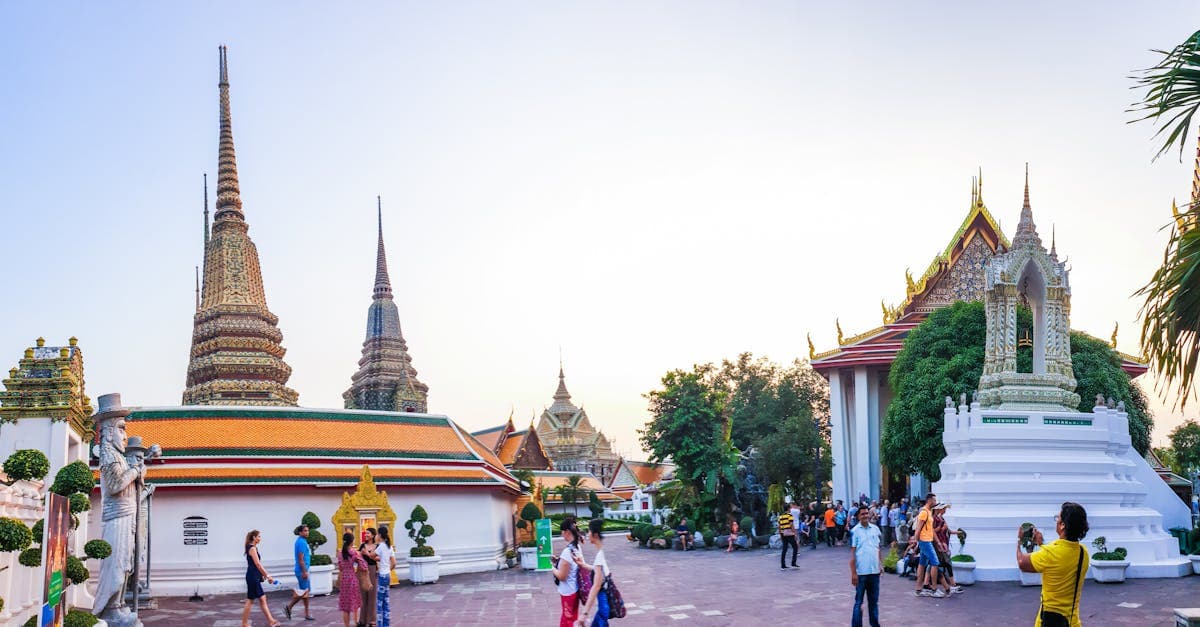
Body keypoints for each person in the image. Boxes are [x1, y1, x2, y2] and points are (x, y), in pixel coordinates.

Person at [1017, 502, 1090, 627]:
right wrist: (1041, 544)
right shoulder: (1083, 553)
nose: (1056, 521)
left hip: (1048, 620)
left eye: (1058, 518)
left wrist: (1019, 540)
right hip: (1071, 621)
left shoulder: (1050, 553)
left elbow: (1022, 563)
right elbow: (1059, 559)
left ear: (1062, 525)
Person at [848, 506, 882, 627]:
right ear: (858, 516)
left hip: (874, 571)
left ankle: (875, 624)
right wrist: (853, 573)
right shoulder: (855, 531)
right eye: (862, 514)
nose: (865, 516)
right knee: (858, 602)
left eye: (867, 513)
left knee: (874, 602)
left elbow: (877, 548)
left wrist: (880, 564)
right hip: (861, 572)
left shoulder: (875, 529)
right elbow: (852, 553)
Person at [576, 518, 612, 627]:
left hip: (603, 611)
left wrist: (584, 613)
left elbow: (596, 586)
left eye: (589, 531)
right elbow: (600, 572)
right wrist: (583, 565)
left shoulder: (599, 557)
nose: (588, 534)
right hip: (604, 609)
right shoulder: (602, 552)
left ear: (595, 535)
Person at [242, 530, 281, 627]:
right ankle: (245, 623)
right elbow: (258, 564)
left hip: (253, 576)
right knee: (251, 600)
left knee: (261, 598)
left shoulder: (252, 547)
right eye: (259, 536)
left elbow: (256, 566)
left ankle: (271, 620)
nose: (260, 538)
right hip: (252, 577)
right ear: (254, 537)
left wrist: (262, 575)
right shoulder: (252, 548)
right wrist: (268, 576)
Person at [553, 517, 584, 627]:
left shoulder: (567, 552)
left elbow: (562, 576)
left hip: (567, 591)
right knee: (572, 618)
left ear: (567, 532)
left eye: (562, 531)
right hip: (575, 589)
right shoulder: (576, 547)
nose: (562, 534)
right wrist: (558, 561)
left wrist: (552, 568)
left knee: (568, 620)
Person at [912, 493, 944, 598]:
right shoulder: (924, 512)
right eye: (934, 500)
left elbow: (930, 530)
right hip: (924, 541)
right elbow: (918, 527)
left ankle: (918, 589)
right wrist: (916, 541)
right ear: (929, 500)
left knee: (922, 564)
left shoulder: (928, 512)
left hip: (927, 540)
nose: (935, 502)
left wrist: (938, 542)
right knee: (935, 563)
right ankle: (934, 589)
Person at [284, 525, 315, 621]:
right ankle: (289, 607)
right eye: (305, 531)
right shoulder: (301, 542)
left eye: (308, 531)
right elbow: (301, 559)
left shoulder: (302, 541)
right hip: (302, 571)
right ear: (300, 532)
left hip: (304, 569)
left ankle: (306, 613)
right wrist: (305, 571)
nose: (307, 532)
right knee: (303, 592)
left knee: (305, 592)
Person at [931, 504, 964, 595]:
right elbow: (933, 531)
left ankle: (948, 585)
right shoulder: (935, 519)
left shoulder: (941, 519)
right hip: (940, 543)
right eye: (944, 508)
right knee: (945, 563)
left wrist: (959, 532)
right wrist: (940, 529)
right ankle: (951, 584)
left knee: (936, 564)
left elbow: (948, 531)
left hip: (943, 543)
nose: (945, 510)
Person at [338, 532, 368, 627]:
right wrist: (361, 557)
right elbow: (364, 567)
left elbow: (340, 568)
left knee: (345, 607)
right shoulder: (353, 552)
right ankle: (356, 624)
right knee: (355, 604)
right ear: (352, 541)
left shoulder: (339, 553)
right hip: (352, 579)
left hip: (344, 580)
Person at [375, 526, 397, 627]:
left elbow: (372, 556)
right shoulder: (389, 546)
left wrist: (366, 552)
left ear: (379, 535)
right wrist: (389, 569)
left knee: (380, 602)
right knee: (386, 600)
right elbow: (394, 562)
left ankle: (380, 624)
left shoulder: (381, 546)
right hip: (387, 575)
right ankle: (386, 624)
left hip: (382, 575)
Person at [358, 527, 379, 627]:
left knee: (372, 594)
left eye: (368, 533)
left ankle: (372, 620)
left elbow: (379, 558)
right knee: (363, 595)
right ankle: (362, 620)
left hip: (372, 569)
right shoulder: (362, 545)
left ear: (373, 535)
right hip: (362, 570)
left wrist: (367, 553)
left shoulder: (377, 546)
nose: (366, 535)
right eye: (365, 533)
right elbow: (358, 557)